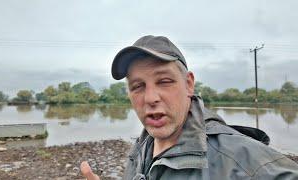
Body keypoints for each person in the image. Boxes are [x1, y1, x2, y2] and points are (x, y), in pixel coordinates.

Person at [81, 35, 298, 180]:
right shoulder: (141, 146)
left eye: (164, 81)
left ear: (189, 84)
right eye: (137, 86)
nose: (150, 98)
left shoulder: (243, 161)